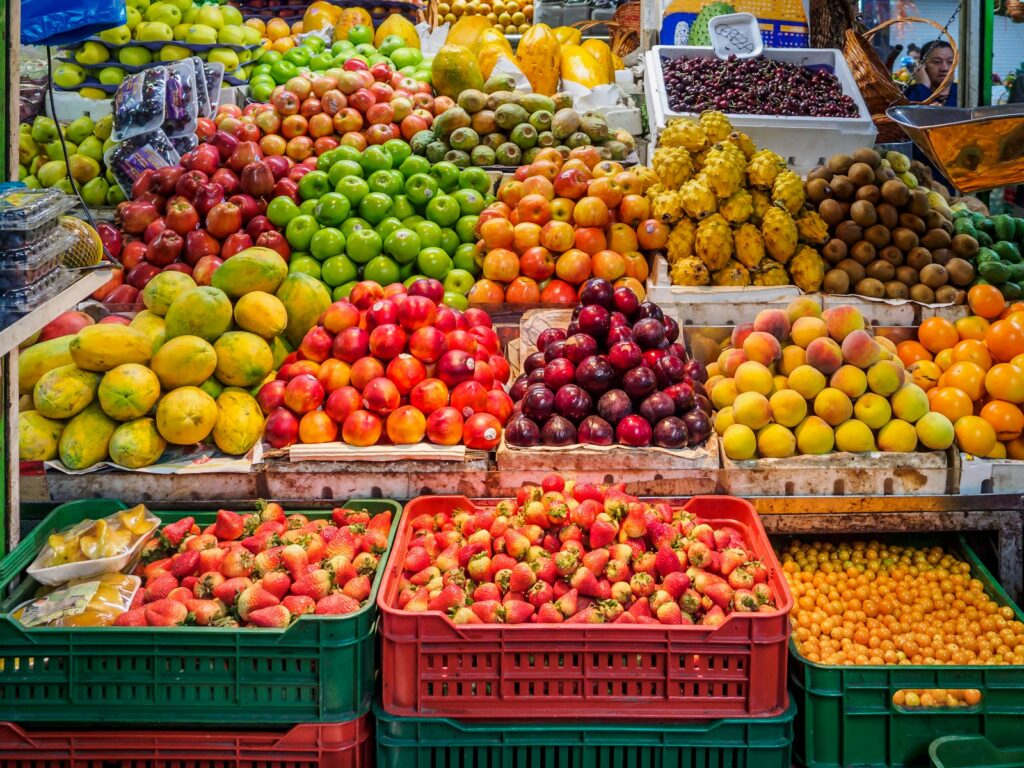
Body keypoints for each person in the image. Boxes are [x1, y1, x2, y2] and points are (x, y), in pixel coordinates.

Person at [904, 40, 957, 106]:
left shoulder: (964, 94)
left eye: (950, 62)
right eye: (937, 62)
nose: (945, 68)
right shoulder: (910, 94)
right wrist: (923, 87)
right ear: (922, 65)